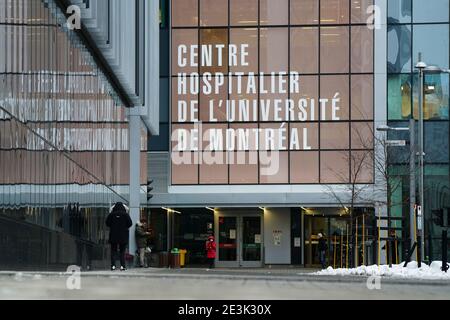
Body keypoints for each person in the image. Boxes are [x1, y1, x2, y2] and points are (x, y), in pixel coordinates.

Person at [106, 202, 132, 271]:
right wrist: (124, 227)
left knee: (113, 251)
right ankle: (122, 266)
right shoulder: (125, 214)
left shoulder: (111, 214)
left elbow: (107, 223)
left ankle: (113, 266)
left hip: (113, 236)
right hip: (123, 236)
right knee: (122, 252)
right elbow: (130, 223)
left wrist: (113, 225)